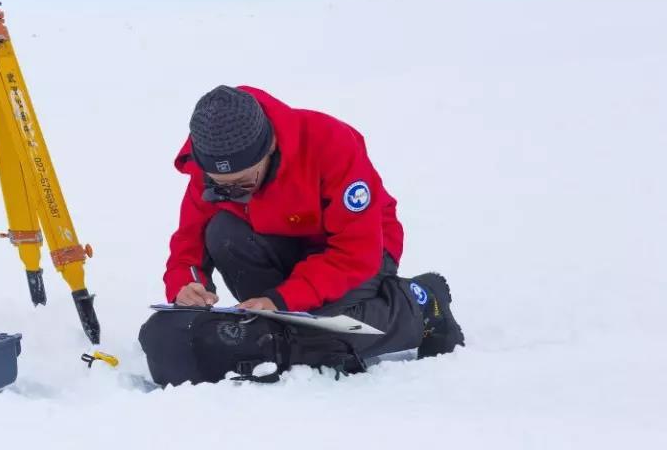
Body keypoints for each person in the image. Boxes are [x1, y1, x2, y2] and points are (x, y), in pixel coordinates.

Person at [163, 84, 464, 361]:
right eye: (220, 186)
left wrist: (281, 299)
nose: (230, 193)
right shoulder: (208, 168)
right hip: (285, 251)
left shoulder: (330, 143)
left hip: (361, 252)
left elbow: (356, 251)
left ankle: (420, 304)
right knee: (222, 232)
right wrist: (187, 286)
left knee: (319, 337)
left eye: (242, 183)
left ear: (269, 147)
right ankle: (286, 324)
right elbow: (190, 240)